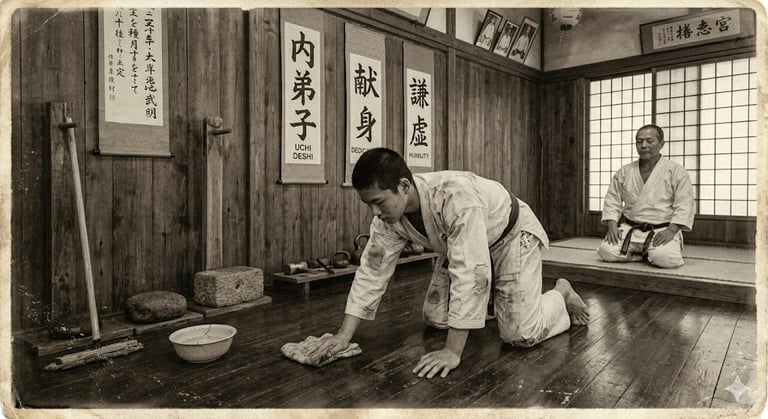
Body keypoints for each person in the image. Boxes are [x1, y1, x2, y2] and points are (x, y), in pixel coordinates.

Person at [308, 148, 589, 379]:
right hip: (462, 246)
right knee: (436, 317)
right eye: (368, 204)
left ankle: (560, 294)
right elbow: (372, 271)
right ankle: (498, 301)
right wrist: (343, 336)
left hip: (512, 236)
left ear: (404, 186)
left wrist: (453, 351)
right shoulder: (386, 220)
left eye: (379, 202)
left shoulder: (455, 197)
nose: (374, 212)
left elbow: (471, 273)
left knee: (519, 335)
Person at [597, 124, 695, 268]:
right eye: (639, 141)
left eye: (649, 141)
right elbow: (612, 200)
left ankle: (652, 252)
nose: (643, 145)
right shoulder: (625, 172)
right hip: (631, 228)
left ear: (661, 144)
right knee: (606, 252)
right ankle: (642, 256)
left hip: (661, 230)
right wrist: (612, 226)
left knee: (666, 259)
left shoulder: (676, 171)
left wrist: (671, 230)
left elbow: (684, 204)